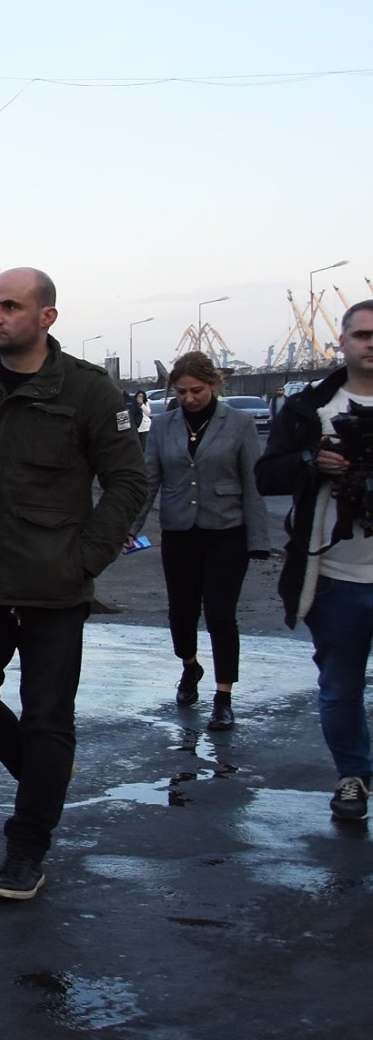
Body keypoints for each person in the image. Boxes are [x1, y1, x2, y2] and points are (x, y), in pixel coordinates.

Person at [0, 268, 147, 902]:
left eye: (11, 307)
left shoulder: (86, 389)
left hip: (54, 587)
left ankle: (26, 849)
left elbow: (128, 481)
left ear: (47, 317)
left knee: (48, 717)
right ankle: (42, 778)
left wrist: (85, 560)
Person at [256, 300, 373, 824]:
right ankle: (353, 776)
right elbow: (267, 476)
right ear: (342, 342)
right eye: (362, 334)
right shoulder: (310, 408)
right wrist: (312, 462)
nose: (371, 343)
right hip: (334, 577)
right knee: (340, 688)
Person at [132, 350, 271, 730]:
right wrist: (130, 528)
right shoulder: (163, 426)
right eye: (181, 392)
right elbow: (149, 481)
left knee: (221, 614)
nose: (189, 398)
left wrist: (259, 540)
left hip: (227, 530)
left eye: (197, 390)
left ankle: (223, 697)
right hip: (180, 531)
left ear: (213, 386)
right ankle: (190, 666)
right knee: (181, 611)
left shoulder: (239, 424)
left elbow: (252, 484)